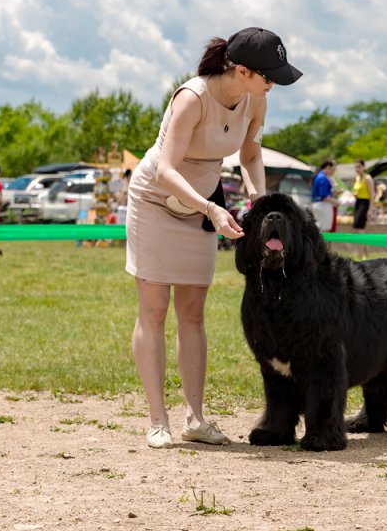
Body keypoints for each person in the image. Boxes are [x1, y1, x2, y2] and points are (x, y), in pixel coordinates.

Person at [126, 27, 302, 449]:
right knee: (153, 311)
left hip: (205, 205)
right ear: (241, 70)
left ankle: (195, 419)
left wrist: (259, 202)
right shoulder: (192, 98)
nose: (273, 83)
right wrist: (210, 208)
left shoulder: (255, 99)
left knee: (193, 312)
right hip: (156, 200)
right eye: (268, 76)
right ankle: (157, 421)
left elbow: (251, 154)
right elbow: (167, 168)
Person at [310, 159, 338, 232]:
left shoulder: (318, 176)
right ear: (328, 167)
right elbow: (324, 196)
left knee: (318, 228)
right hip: (323, 205)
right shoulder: (323, 178)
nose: (333, 172)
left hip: (316, 204)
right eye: (332, 169)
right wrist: (336, 202)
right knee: (325, 229)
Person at [351, 159, 376, 230]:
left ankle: (362, 240)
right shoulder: (357, 178)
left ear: (364, 167)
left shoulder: (367, 178)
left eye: (359, 167)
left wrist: (370, 209)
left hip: (365, 203)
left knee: (360, 225)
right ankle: (358, 240)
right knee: (356, 225)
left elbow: (372, 194)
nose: (357, 169)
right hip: (358, 202)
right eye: (356, 167)